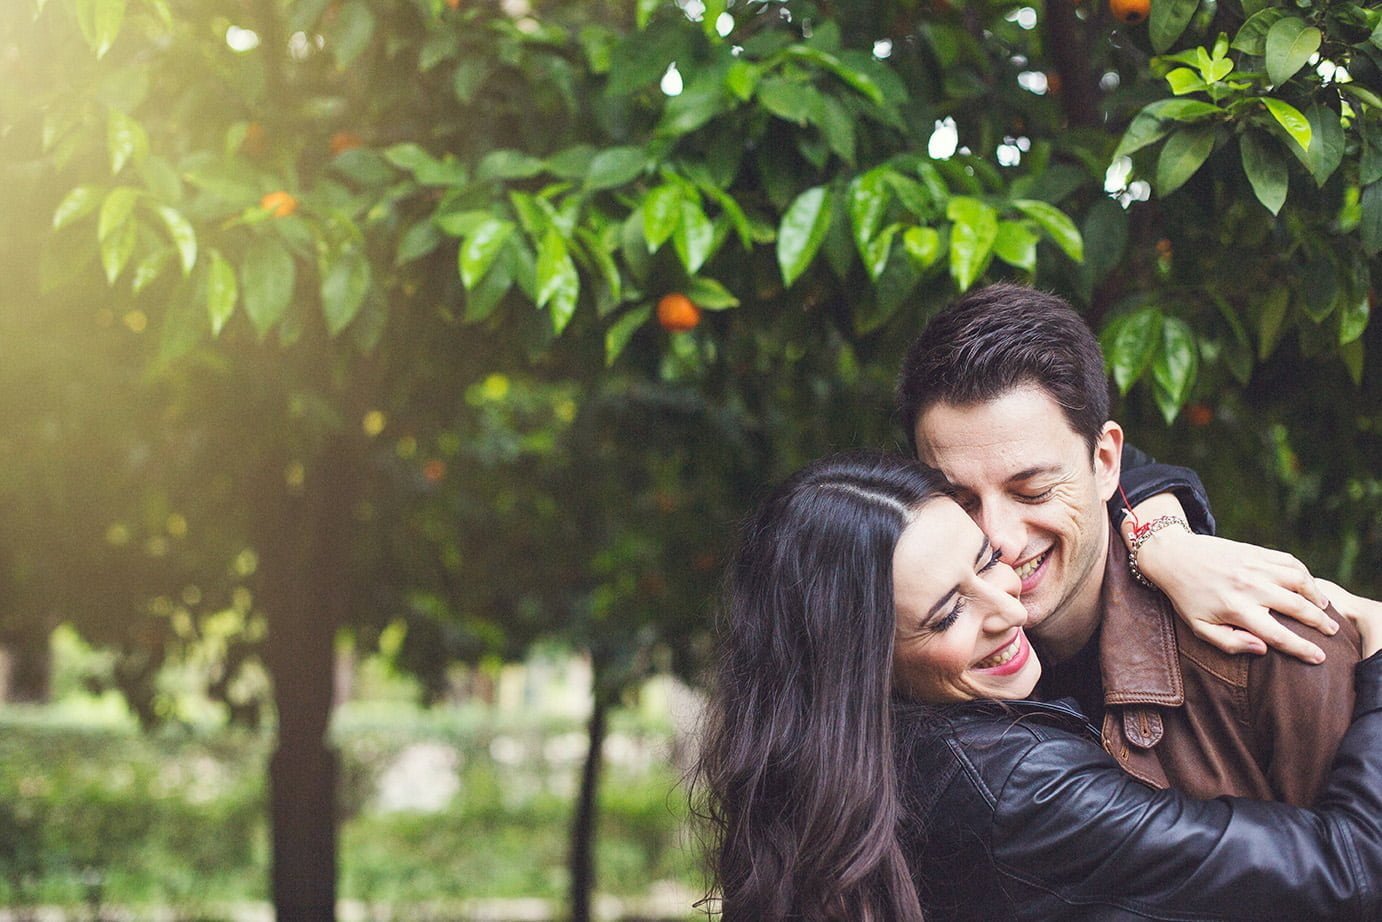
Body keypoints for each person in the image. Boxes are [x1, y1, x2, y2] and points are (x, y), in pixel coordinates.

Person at [696, 451, 1382, 921]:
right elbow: (1352, 867)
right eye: (948, 614)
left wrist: (1163, 538)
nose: (1010, 607)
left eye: (987, 560)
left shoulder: (827, 777)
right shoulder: (1019, 788)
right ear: (864, 666)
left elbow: (1085, 453)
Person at [894, 283, 1362, 803]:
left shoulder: (1268, 645)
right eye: (961, 501)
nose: (1000, 537)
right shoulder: (911, 657)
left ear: (1104, 463)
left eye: (1033, 491)